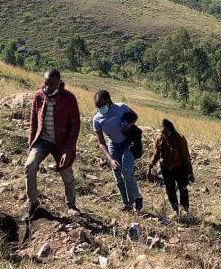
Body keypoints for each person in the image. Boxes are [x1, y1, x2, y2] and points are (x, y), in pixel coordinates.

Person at [24, 69, 80, 219]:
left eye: (51, 84)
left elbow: (75, 126)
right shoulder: (38, 96)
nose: (47, 87)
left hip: (61, 143)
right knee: (29, 166)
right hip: (42, 140)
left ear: (58, 83)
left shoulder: (69, 98)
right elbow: (33, 122)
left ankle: (71, 205)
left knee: (67, 174)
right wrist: (31, 144)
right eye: (46, 83)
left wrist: (68, 150)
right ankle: (33, 203)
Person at [92, 89, 142, 212]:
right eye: (97, 106)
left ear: (108, 101)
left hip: (128, 143)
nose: (100, 108)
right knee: (118, 176)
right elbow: (101, 142)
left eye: (102, 105)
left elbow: (135, 116)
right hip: (113, 145)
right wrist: (110, 160)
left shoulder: (120, 108)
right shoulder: (97, 119)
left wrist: (128, 125)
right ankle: (127, 204)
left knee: (126, 172)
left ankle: (137, 198)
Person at [148, 119, 194, 217]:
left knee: (183, 188)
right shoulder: (159, 138)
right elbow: (156, 154)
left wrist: (190, 173)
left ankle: (185, 209)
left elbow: (186, 156)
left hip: (179, 168)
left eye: (163, 129)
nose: (162, 132)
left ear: (169, 129)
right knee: (170, 189)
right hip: (165, 168)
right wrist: (150, 167)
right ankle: (175, 210)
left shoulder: (180, 139)